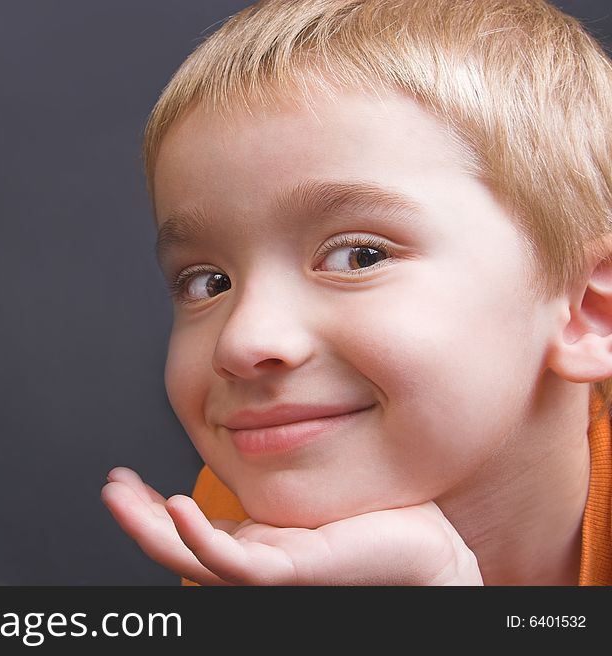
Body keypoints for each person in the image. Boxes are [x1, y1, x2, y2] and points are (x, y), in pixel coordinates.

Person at [101, 0, 612, 585]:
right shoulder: (243, 533)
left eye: (358, 256)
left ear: (587, 311)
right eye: (209, 282)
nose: (241, 341)